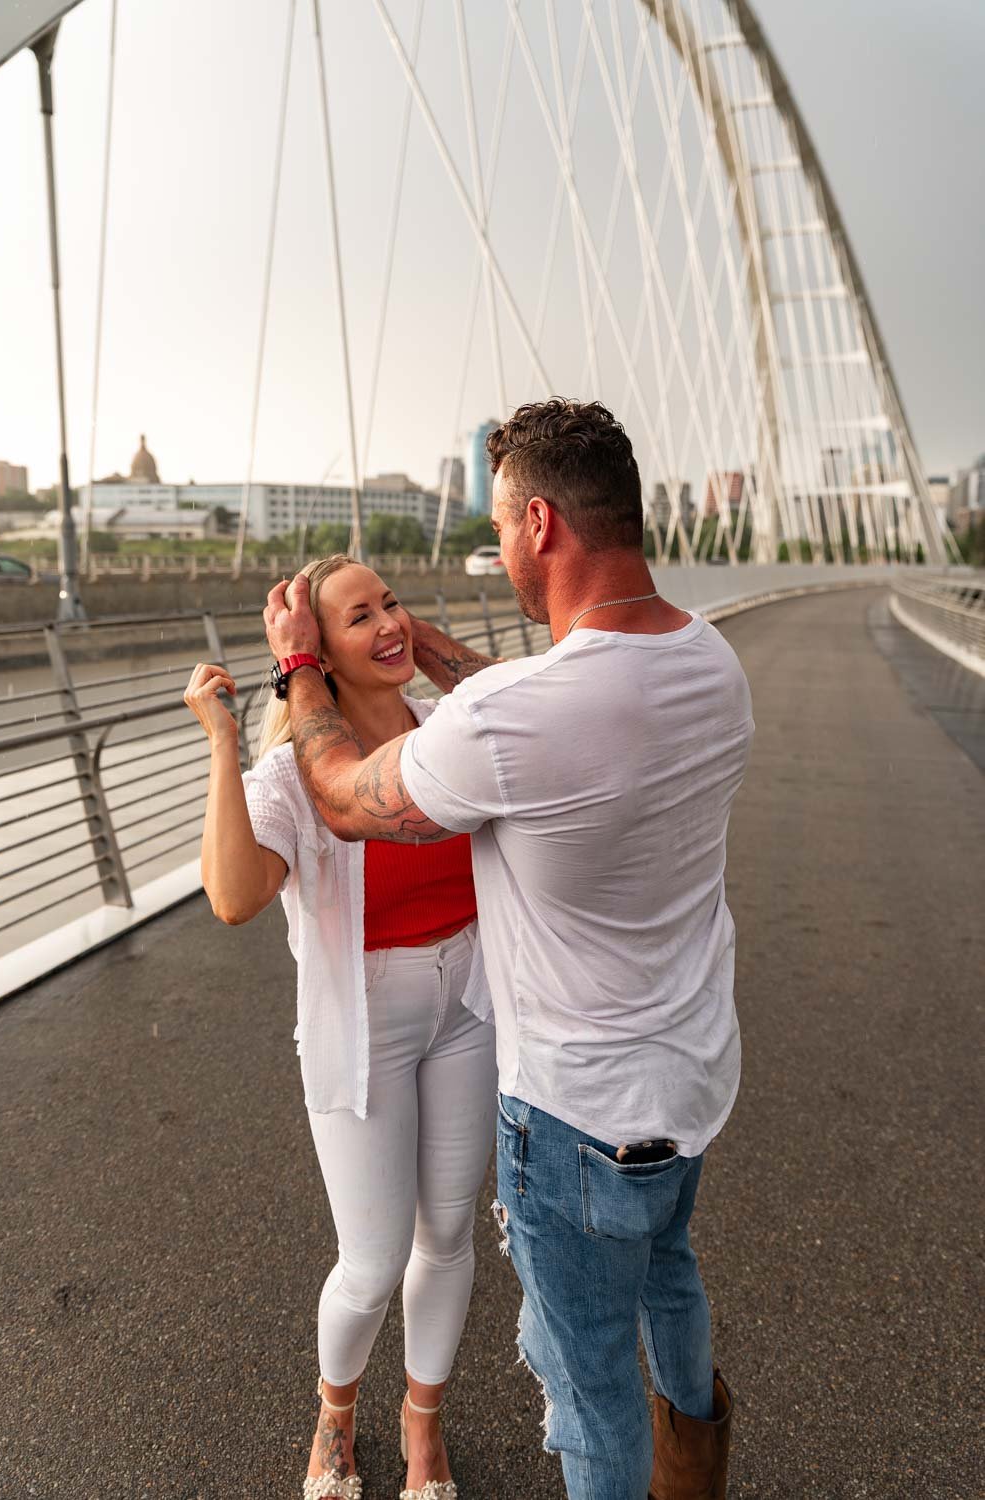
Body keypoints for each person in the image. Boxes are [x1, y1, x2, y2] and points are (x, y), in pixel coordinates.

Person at [262, 399, 755, 1500]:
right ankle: (696, 1472)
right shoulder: (709, 662)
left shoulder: (518, 718)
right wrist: (429, 650)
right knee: (668, 1280)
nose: (494, 548)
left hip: (577, 1116)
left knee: (590, 1392)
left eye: (496, 529)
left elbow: (340, 794)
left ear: (539, 525)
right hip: (690, 1085)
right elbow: (550, 703)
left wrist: (301, 663)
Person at [184, 554, 497, 1500]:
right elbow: (234, 897)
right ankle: (336, 1411)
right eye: (360, 616)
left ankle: (423, 1424)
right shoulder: (291, 776)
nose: (389, 623)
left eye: (392, 603)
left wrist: (418, 643)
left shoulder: (449, 729)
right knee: (370, 1262)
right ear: (317, 651)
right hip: (366, 1020)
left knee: (448, 1233)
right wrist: (224, 745)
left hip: (469, 1003)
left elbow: (543, 705)